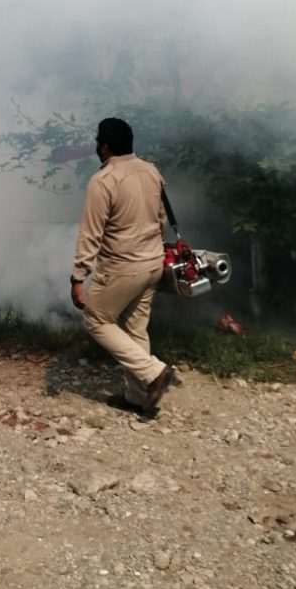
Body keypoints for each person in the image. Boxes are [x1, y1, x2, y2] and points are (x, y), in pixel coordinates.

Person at [69, 117, 174, 413]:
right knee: (135, 328)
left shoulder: (104, 180)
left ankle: (153, 372)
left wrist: (78, 276)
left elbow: (91, 233)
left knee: (96, 319)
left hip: (122, 268)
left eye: (97, 142)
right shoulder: (151, 171)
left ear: (104, 146)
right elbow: (161, 218)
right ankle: (138, 398)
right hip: (153, 263)